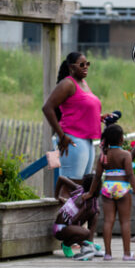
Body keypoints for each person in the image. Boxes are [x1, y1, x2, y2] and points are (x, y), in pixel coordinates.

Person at [42, 52, 113, 183]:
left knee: (82, 186)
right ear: (71, 67)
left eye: (87, 64)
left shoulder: (83, 83)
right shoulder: (68, 84)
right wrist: (62, 135)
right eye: (81, 64)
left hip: (87, 140)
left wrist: (99, 117)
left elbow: (79, 109)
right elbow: (47, 108)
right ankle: (64, 204)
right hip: (73, 140)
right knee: (71, 185)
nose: (85, 66)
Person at [85, 125, 135, 261]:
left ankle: (108, 254)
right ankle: (127, 254)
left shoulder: (103, 156)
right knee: (125, 222)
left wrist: (90, 193)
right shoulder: (125, 155)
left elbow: (97, 176)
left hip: (107, 187)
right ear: (121, 139)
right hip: (122, 187)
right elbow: (130, 175)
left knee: (108, 221)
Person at [53, 174, 102, 261]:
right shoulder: (85, 201)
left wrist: (57, 195)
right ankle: (66, 245)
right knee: (86, 232)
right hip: (60, 229)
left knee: (95, 214)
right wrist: (83, 210)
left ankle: (89, 244)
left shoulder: (80, 189)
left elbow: (61, 178)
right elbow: (74, 220)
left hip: (70, 225)